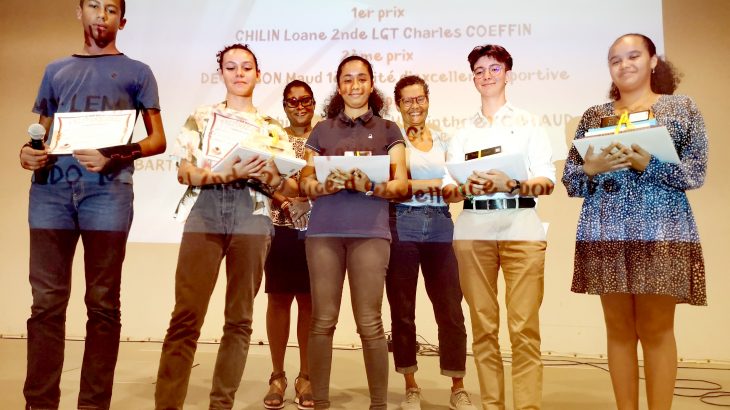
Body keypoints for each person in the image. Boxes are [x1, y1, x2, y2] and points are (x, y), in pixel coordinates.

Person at [17, 0, 167, 408]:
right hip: (50, 192)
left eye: (111, 9)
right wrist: (28, 154)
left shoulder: (138, 72)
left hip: (108, 193)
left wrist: (113, 156)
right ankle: (39, 403)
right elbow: (41, 135)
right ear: (79, 11)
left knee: (102, 303)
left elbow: (157, 139)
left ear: (123, 20)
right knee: (46, 303)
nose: (102, 15)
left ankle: (93, 404)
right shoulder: (55, 70)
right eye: (94, 6)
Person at [562, 33, 707, 410]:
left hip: (661, 231)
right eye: (615, 60)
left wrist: (651, 164)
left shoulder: (681, 108)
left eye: (633, 56)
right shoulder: (594, 115)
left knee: (656, 329)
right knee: (619, 329)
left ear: (653, 61)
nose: (624, 65)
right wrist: (590, 169)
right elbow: (571, 180)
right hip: (605, 230)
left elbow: (696, 172)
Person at [154, 43, 295, 410]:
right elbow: (185, 172)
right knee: (186, 315)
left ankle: (221, 404)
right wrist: (226, 173)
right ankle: (167, 404)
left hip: (253, 213)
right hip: (206, 210)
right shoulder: (203, 117)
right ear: (221, 74)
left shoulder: (271, 128)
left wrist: (272, 176)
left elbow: (289, 185)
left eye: (246, 67)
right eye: (231, 67)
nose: (239, 73)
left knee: (240, 319)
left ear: (258, 74)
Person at [443, 44, 556, 410]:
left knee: (524, 328)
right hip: (473, 230)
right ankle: (492, 405)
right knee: (483, 327)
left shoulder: (529, 123)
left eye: (494, 68)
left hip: (521, 227)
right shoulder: (462, 132)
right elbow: (447, 190)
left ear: (508, 74)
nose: (486, 76)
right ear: (473, 78)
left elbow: (547, 182)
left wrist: (511, 184)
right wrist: (465, 188)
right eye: (479, 70)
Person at [299, 55, 408, 410]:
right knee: (322, 320)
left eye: (361, 78)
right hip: (323, 233)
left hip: (371, 233)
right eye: (347, 79)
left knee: (370, 322)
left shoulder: (389, 129)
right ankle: (320, 402)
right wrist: (324, 186)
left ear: (371, 84)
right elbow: (305, 181)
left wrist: (371, 186)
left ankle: (378, 404)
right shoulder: (321, 129)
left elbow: (401, 185)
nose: (354, 85)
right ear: (339, 85)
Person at [385, 75, 476, 410]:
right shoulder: (393, 141)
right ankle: (410, 385)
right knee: (403, 311)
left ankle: (458, 386)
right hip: (401, 223)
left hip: (440, 224)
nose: (415, 106)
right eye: (407, 100)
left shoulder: (444, 139)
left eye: (420, 98)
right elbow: (396, 187)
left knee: (451, 309)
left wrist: (437, 186)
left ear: (428, 100)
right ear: (398, 105)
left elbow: (456, 189)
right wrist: (437, 183)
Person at [263, 80, 316, 410]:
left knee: (309, 302)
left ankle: (306, 377)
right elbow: (262, 179)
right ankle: (278, 376)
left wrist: (306, 198)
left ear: (313, 103)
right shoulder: (273, 138)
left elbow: (328, 179)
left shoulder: (325, 136)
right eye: (292, 101)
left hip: (317, 230)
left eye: (305, 100)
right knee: (279, 300)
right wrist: (284, 201)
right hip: (279, 226)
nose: (299, 106)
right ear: (284, 106)